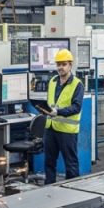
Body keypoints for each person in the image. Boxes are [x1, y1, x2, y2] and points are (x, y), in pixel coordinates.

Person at [43, 49, 83, 183]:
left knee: (70, 164)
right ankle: (49, 190)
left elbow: (76, 107)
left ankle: (72, 191)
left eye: (63, 64)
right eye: (58, 64)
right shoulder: (52, 81)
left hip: (67, 131)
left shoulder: (77, 84)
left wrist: (58, 112)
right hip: (51, 128)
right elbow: (50, 103)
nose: (60, 67)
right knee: (49, 162)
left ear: (70, 65)